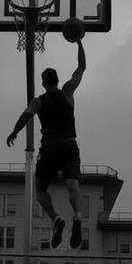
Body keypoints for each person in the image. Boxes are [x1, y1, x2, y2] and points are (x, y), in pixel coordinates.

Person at [6, 40, 86, 249]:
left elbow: (26, 115)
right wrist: (79, 43)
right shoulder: (67, 91)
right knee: (73, 186)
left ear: (43, 83)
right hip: (69, 145)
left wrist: (14, 132)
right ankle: (78, 216)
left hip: (50, 148)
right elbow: (81, 68)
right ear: (57, 80)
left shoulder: (39, 101)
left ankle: (56, 219)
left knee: (40, 189)